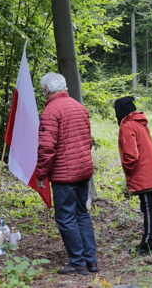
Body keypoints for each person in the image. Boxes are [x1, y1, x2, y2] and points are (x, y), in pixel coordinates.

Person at [34, 72, 98, 275]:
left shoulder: (50, 111)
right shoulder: (79, 107)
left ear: (46, 90)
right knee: (81, 214)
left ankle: (78, 262)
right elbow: (88, 140)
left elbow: (46, 148)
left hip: (64, 174)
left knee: (66, 217)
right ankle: (91, 261)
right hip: (83, 170)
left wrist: (41, 174)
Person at [114, 96, 152, 255]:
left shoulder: (128, 126)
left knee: (149, 210)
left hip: (144, 176)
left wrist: (129, 172)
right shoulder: (139, 123)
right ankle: (149, 241)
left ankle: (147, 245)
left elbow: (131, 155)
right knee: (151, 208)